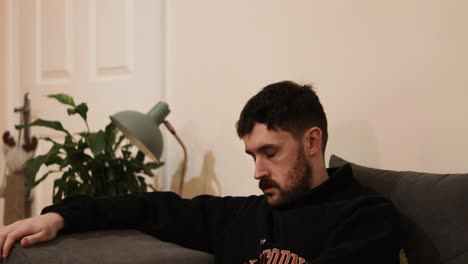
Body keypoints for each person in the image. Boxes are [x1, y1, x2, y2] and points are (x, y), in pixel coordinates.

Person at [0, 81, 401, 263]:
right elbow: (150, 207)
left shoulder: (367, 218)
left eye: (270, 153)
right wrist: (61, 215)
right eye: (251, 156)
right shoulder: (243, 217)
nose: (258, 172)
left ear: (312, 143)